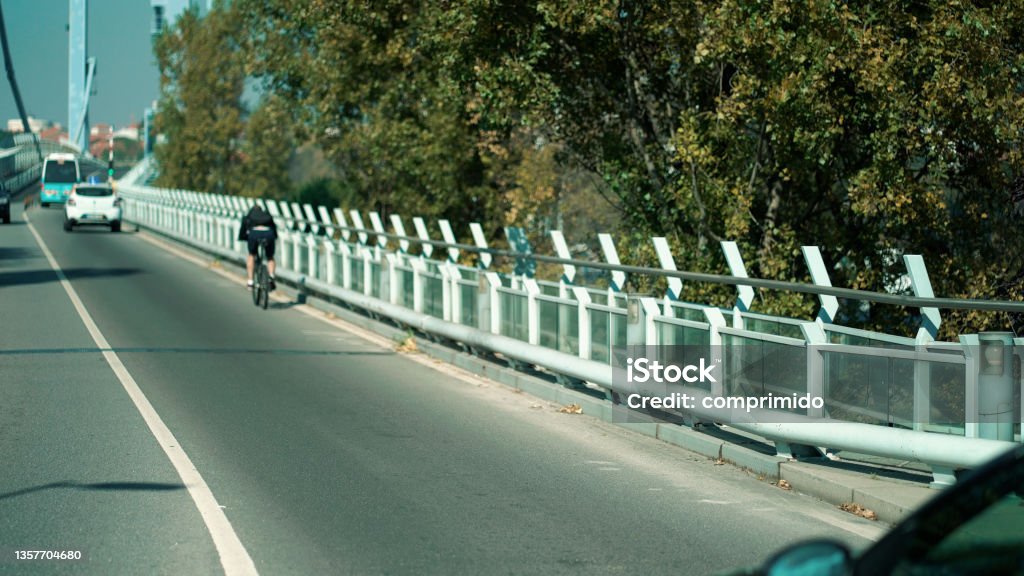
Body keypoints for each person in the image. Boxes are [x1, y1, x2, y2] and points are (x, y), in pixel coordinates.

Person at [238, 203, 278, 289]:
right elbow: (274, 229)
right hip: (268, 233)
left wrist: (243, 238)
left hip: (254, 234)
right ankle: (271, 277)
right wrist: (273, 238)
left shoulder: (248, 216)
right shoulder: (266, 215)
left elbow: (242, 232)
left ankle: (250, 282)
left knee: (252, 255)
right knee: (270, 257)